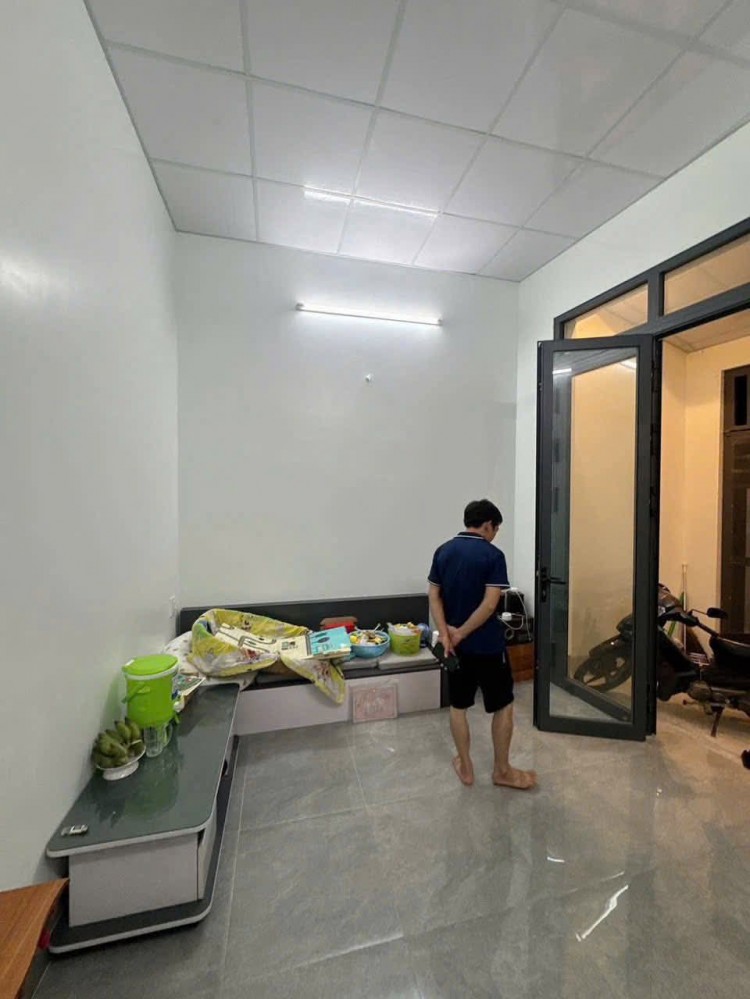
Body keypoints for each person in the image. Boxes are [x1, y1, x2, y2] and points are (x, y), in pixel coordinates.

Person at [428, 499, 537, 790]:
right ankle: (502, 771)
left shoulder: (443, 551)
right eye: (495, 529)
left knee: (458, 706)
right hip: (488, 647)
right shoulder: (493, 556)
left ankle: (465, 767)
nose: (494, 535)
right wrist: (462, 633)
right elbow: (490, 605)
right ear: (488, 525)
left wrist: (447, 634)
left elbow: (433, 595)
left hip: (455, 649)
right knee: (503, 706)